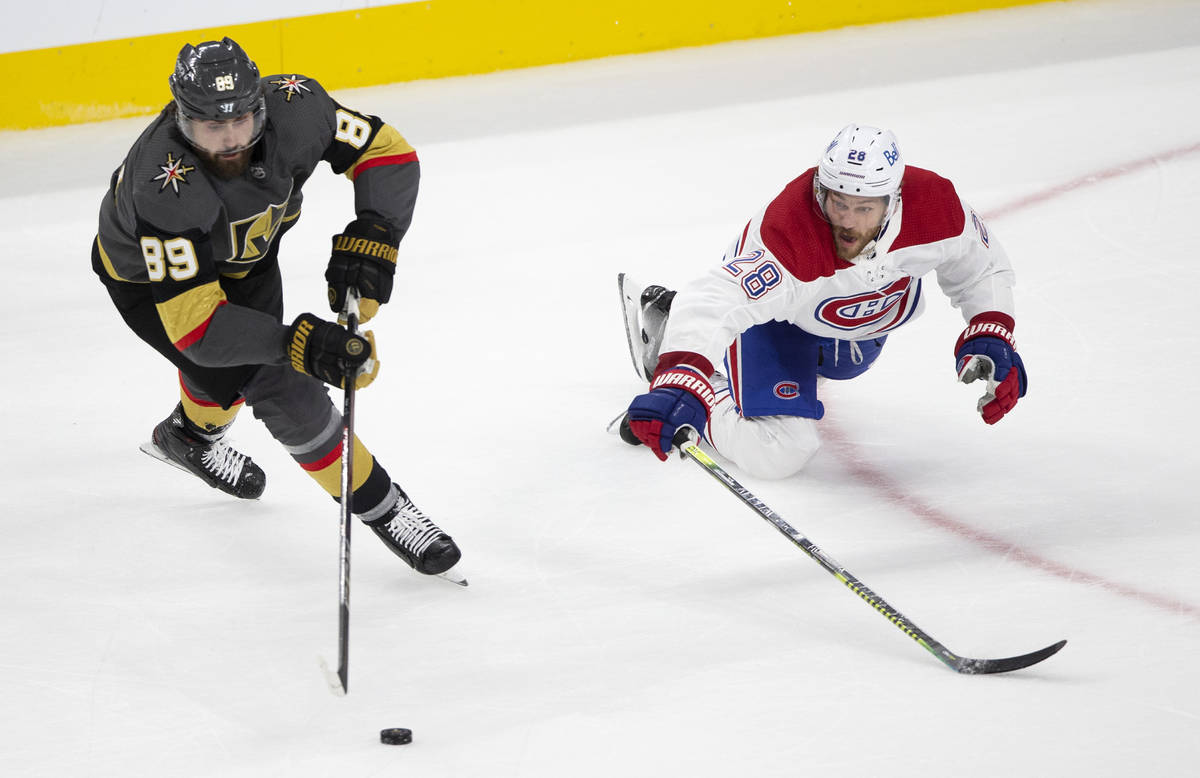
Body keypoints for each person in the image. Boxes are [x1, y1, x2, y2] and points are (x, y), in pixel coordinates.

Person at [92, 37, 462, 576]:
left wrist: (376, 230)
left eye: (241, 121)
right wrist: (296, 346)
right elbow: (198, 328)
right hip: (148, 284)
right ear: (180, 118)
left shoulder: (298, 107)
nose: (228, 142)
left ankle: (190, 436)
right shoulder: (162, 183)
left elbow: (386, 152)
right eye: (209, 128)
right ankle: (385, 508)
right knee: (277, 382)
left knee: (227, 379)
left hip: (248, 261)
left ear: (261, 107)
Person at [618, 123, 1027, 479]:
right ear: (820, 188)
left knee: (846, 365)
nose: (847, 221)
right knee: (780, 451)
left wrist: (991, 328)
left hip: (854, 331)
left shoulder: (935, 208)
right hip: (778, 326)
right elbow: (719, 297)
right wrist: (682, 376)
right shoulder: (789, 236)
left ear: (893, 199)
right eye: (838, 203)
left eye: (863, 208)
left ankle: (689, 337)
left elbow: (982, 266)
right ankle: (696, 371)